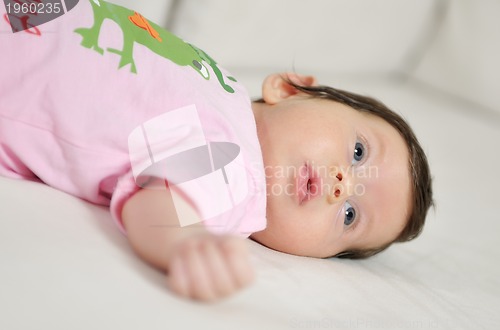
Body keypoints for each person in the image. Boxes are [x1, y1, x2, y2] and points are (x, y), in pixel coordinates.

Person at [0, 0, 433, 301]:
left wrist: (182, 243)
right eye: (358, 153)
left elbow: (155, 204)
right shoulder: (221, 83)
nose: (343, 185)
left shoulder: (236, 183)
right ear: (290, 88)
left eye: (351, 215)